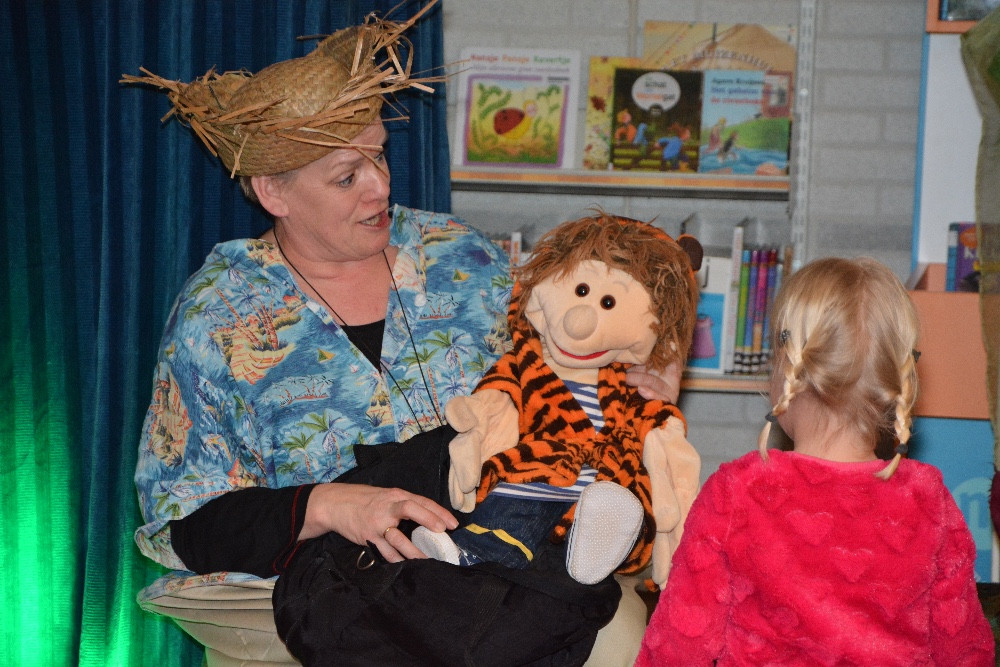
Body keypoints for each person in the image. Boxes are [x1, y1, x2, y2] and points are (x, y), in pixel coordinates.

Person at [125, 4, 680, 662]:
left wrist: (634, 386)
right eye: (347, 176)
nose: (380, 186)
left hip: (503, 574)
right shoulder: (219, 314)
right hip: (322, 605)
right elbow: (182, 524)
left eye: (380, 156)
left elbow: (560, 390)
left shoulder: (465, 261)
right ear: (273, 191)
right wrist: (328, 505)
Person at [636, 257, 994, 666]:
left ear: (787, 371)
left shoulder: (737, 491)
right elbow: (964, 649)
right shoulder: (928, 498)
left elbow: (678, 644)